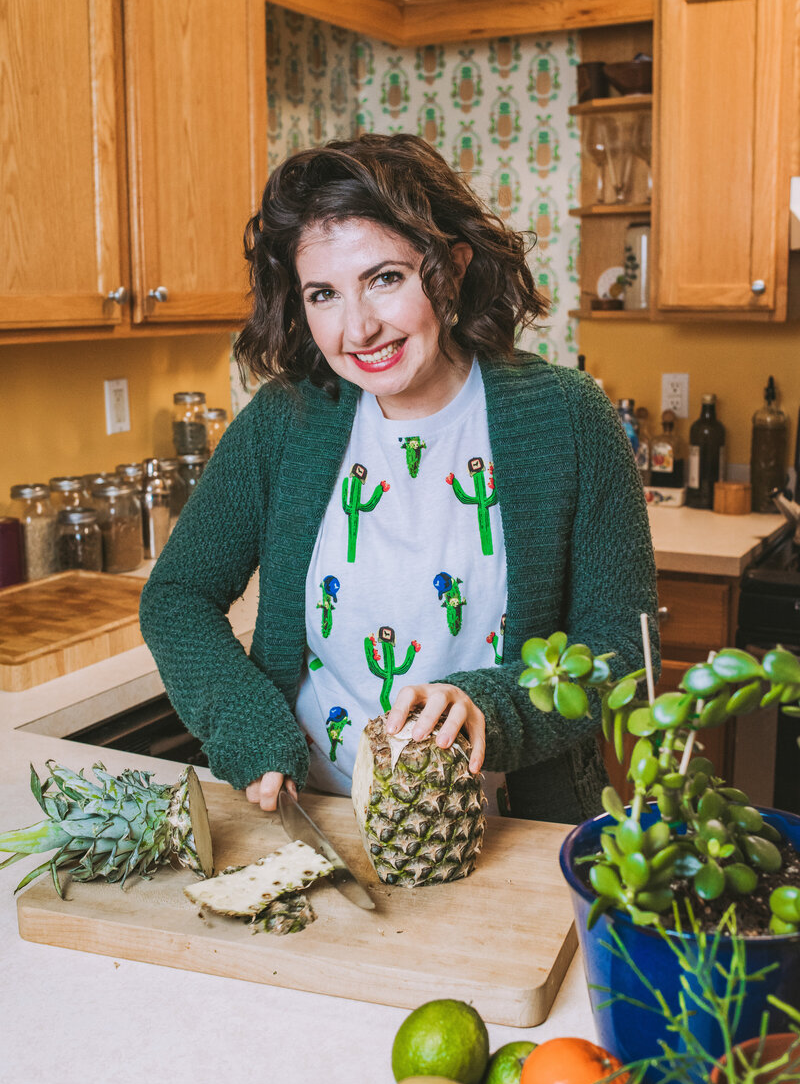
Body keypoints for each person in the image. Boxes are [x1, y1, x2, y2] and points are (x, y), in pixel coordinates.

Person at [140, 133, 659, 825]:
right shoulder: (284, 422)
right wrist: (245, 724)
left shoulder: (569, 416)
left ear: (451, 268)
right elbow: (176, 596)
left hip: (513, 827)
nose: (358, 327)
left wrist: (487, 704)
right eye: (323, 293)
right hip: (318, 818)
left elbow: (623, 651)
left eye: (385, 278)